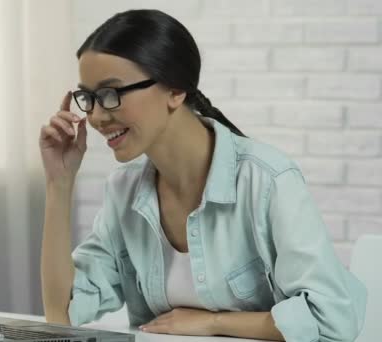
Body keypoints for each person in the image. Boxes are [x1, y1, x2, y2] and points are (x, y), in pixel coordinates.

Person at [38, 9, 366, 342]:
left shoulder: (268, 181)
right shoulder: (124, 190)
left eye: (111, 94)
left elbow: (331, 320)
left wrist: (213, 323)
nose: (95, 116)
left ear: (175, 89)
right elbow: (61, 313)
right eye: (88, 98)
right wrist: (58, 183)